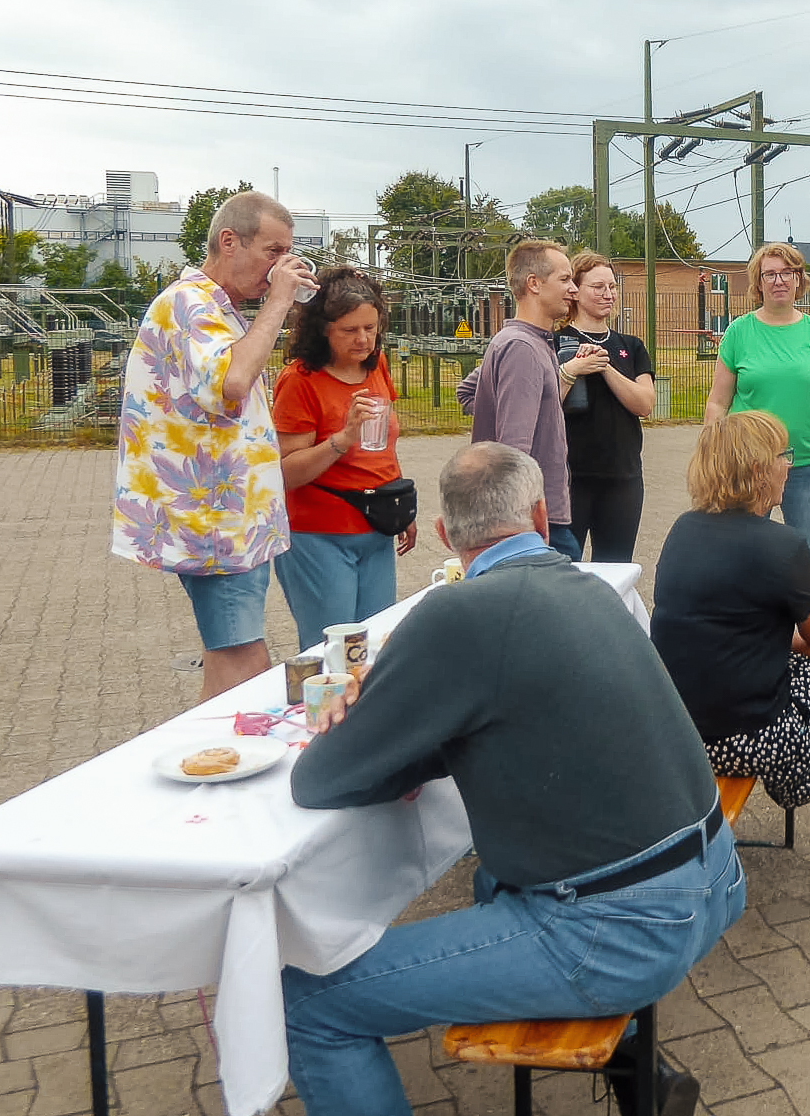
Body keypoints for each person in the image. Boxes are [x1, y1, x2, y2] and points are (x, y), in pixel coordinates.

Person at [285, 441, 743, 1116]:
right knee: (492, 878)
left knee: (309, 1002)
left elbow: (319, 778)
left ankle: (628, 1056)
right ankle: (641, 1080)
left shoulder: (454, 613)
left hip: (626, 931)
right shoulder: (587, 585)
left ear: (444, 535)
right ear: (537, 515)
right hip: (715, 879)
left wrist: (378, 728)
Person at [651, 411, 810, 903]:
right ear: (755, 471)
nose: (788, 468)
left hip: (679, 726)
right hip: (739, 735)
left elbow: (731, 629)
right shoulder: (779, 544)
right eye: (782, 457)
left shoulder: (684, 530)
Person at [112, 190, 315, 701]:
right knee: (244, 662)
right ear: (229, 241)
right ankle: (221, 764)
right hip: (215, 528)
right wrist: (279, 301)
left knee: (233, 657)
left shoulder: (214, 308)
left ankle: (211, 759)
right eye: (273, 252)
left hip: (232, 522)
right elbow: (232, 380)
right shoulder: (191, 303)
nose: (280, 267)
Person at [271, 267, 417, 650]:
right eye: (349, 330)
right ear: (323, 328)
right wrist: (343, 438)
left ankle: (367, 712)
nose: (363, 339)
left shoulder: (375, 365)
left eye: (370, 328)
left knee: (375, 645)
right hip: (319, 533)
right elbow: (285, 472)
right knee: (333, 650)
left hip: (375, 525)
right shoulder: (301, 380)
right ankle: (324, 711)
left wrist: (400, 503)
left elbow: (386, 444)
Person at [704, 242, 810, 570]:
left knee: (809, 556)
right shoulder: (738, 332)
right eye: (770, 274)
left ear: (799, 279)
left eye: (787, 273)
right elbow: (717, 402)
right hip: (748, 465)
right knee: (743, 556)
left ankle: (808, 623)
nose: (779, 281)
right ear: (758, 282)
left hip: (808, 466)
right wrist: (714, 458)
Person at [468, 238, 582, 558]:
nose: (573, 289)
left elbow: (469, 393)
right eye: (564, 279)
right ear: (534, 284)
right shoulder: (522, 348)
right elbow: (514, 451)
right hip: (533, 526)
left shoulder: (529, 342)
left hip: (539, 521)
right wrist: (525, 527)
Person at [553, 251, 656, 561]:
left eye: (612, 286)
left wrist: (604, 367)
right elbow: (544, 405)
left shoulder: (631, 346)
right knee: (562, 570)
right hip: (569, 479)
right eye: (598, 287)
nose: (608, 294)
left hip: (622, 478)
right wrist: (571, 370)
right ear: (575, 290)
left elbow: (645, 404)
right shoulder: (554, 342)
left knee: (615, 570)